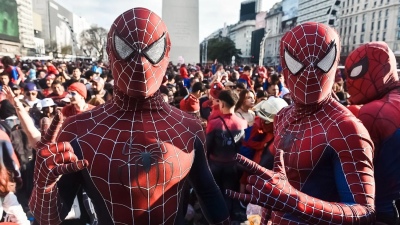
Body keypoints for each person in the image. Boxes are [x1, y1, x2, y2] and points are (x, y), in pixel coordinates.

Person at [29, 8, 230, 225]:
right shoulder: (78, 128)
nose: (140, 64)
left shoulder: (189, 126)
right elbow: (49, 219)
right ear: (110, 51)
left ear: (166, 50)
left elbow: (208, 193)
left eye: (152, 51)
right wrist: (43, 185)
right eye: (126, 49)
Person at [227, 22, 375, 224]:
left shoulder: (345, 127)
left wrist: (294, 201)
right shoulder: (283, 116)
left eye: (322, 63)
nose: (310, 74)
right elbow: (282, 179)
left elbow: (364, 212)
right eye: (297, 65)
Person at [345, 42, 400, 224]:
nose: (349, 83)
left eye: (355, 72)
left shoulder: (373, 112)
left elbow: (354, 173)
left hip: (382, 211)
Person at [206, 90, 247, 222]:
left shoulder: (214, 123)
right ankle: (228, 218)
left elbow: (207, 146)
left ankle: (215, 219)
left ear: (222, 104)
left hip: (215, 164)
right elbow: (242, 145)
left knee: (215, 194)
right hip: (232, 165)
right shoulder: (242, 123)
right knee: (229, 193)